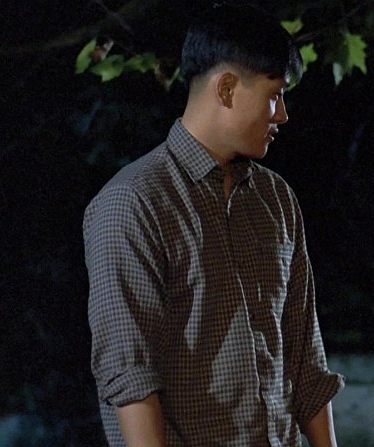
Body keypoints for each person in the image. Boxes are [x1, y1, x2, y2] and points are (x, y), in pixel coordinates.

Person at [83, 4, 344, 446]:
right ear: (226, 88)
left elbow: (306, 362)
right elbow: (130, 374)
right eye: (275, 95)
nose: (282, 115)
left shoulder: (276, 200)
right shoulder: (133, 203)